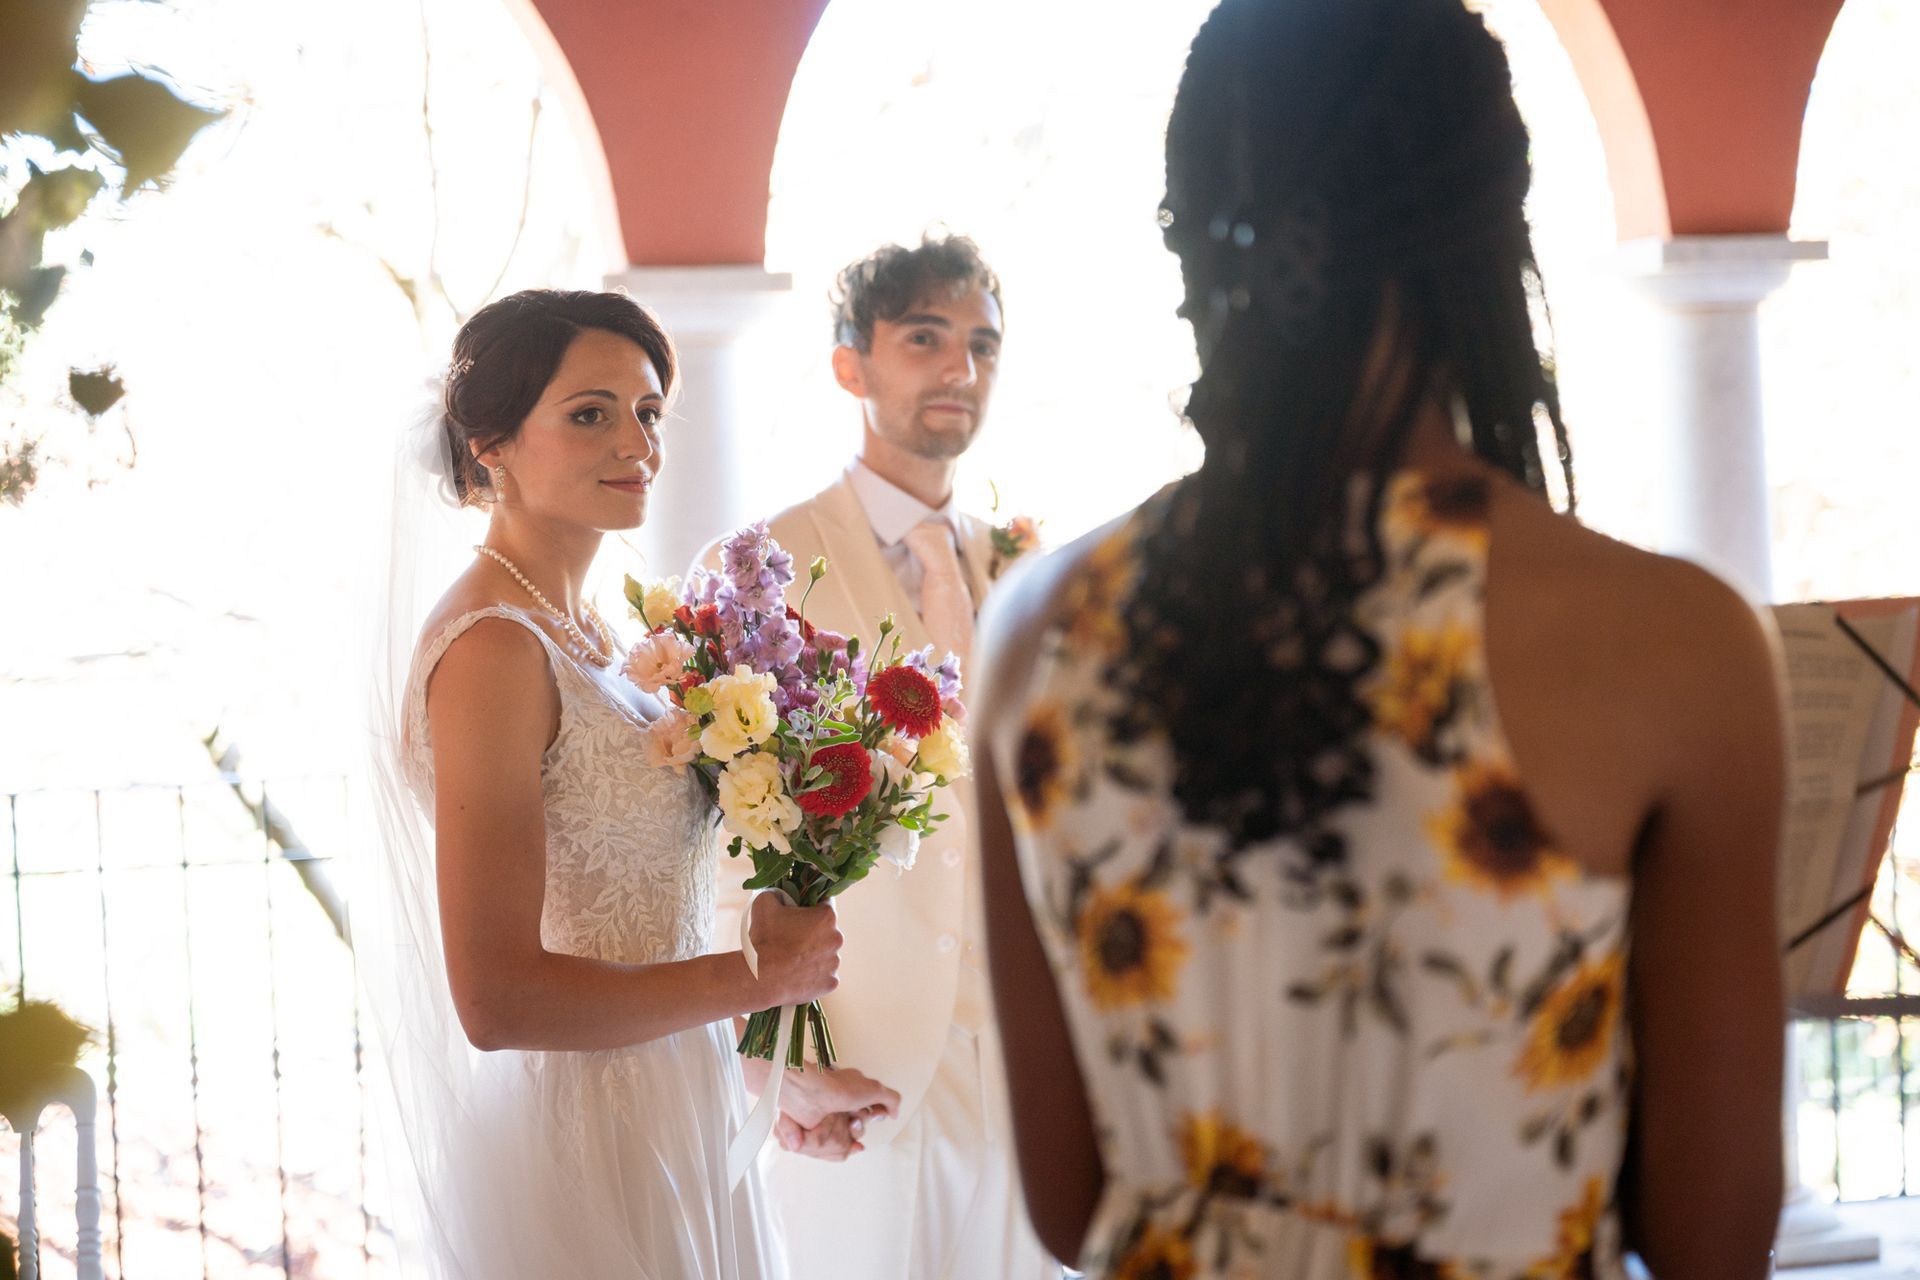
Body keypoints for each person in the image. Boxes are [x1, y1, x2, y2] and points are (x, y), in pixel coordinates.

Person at [971, 2, 1788, 1277]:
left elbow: (1069, 1201)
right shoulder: (1671, 642)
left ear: (1193, 227)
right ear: (1485, 225)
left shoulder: (1033, 626)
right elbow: (1710, 1234)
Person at [361, 289, 843, 1278]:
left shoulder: (611, 641)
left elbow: (643, 917)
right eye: (591, 412)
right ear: (491, 441)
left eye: (650, 412)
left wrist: (765, 1063)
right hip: (588, 1138)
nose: (639, 443)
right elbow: (497, 1000)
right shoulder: (495, 650)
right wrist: (759, 980)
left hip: (683, 1096)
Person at [698, 235, 1058, 1278]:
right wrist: (774, 1057)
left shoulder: (1027, 568)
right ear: (850, 364)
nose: (961, 369)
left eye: (982, 344)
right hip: (854, 1069)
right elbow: (720, 839)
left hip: (1027, 1072)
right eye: (925, 339)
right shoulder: (764, 568)